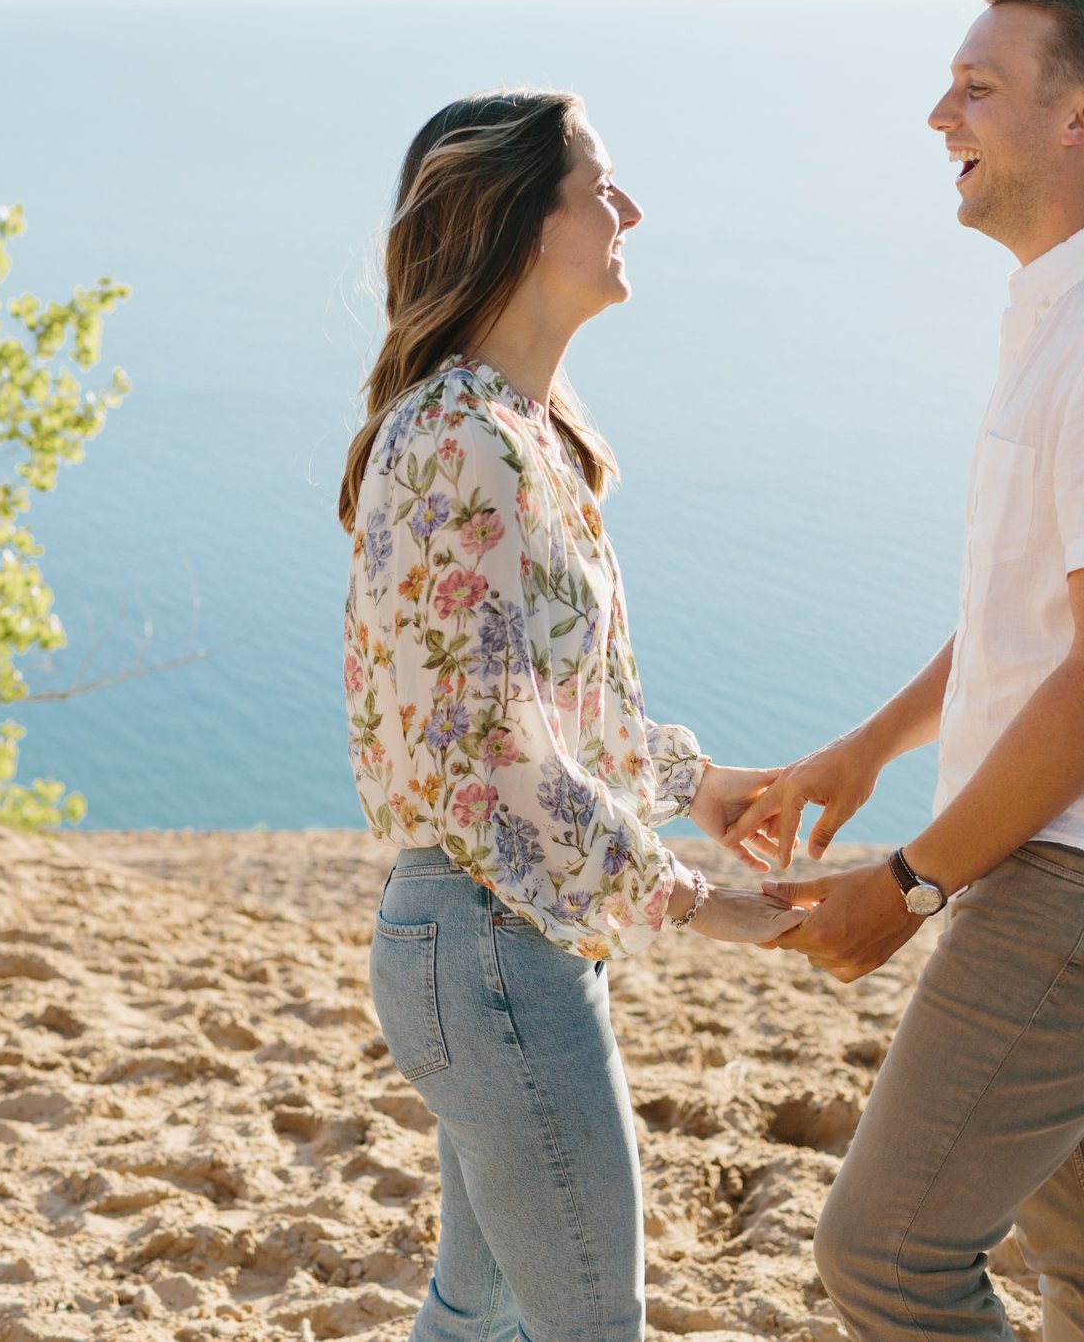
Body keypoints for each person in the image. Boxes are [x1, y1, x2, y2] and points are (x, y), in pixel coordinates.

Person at [741, 0, 1084, 1341]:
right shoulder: (1076, 306)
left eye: (978, 86)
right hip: (1073, 859)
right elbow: (1036, 609)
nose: (939, 114)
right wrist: (866, 749)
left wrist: (912, 881)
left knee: (888, 1252)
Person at [339, 90, 796, 1342]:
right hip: (490, 941)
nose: (629, 209)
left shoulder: (523, 429)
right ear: (519, 224)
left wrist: (697, 784)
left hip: (503, 931)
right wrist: (698, 904)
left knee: (478, 1307)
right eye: (599, 186)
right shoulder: (463, 439)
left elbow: (547, 703)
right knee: (589, 1325)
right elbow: (494, 756)